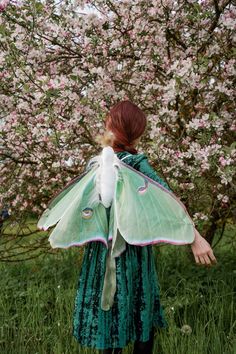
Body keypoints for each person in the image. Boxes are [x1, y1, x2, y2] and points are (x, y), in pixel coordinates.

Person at [72, 100, 217, 354]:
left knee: (114, 316)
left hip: (110, 251)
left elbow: (165, 200)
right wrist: (195, 237)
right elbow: (169, 200)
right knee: (140, 312)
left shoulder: (114, 165)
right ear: (136, 133)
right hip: (128, 250)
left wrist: (195, 237)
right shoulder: (109, 165)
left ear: (112, 126)